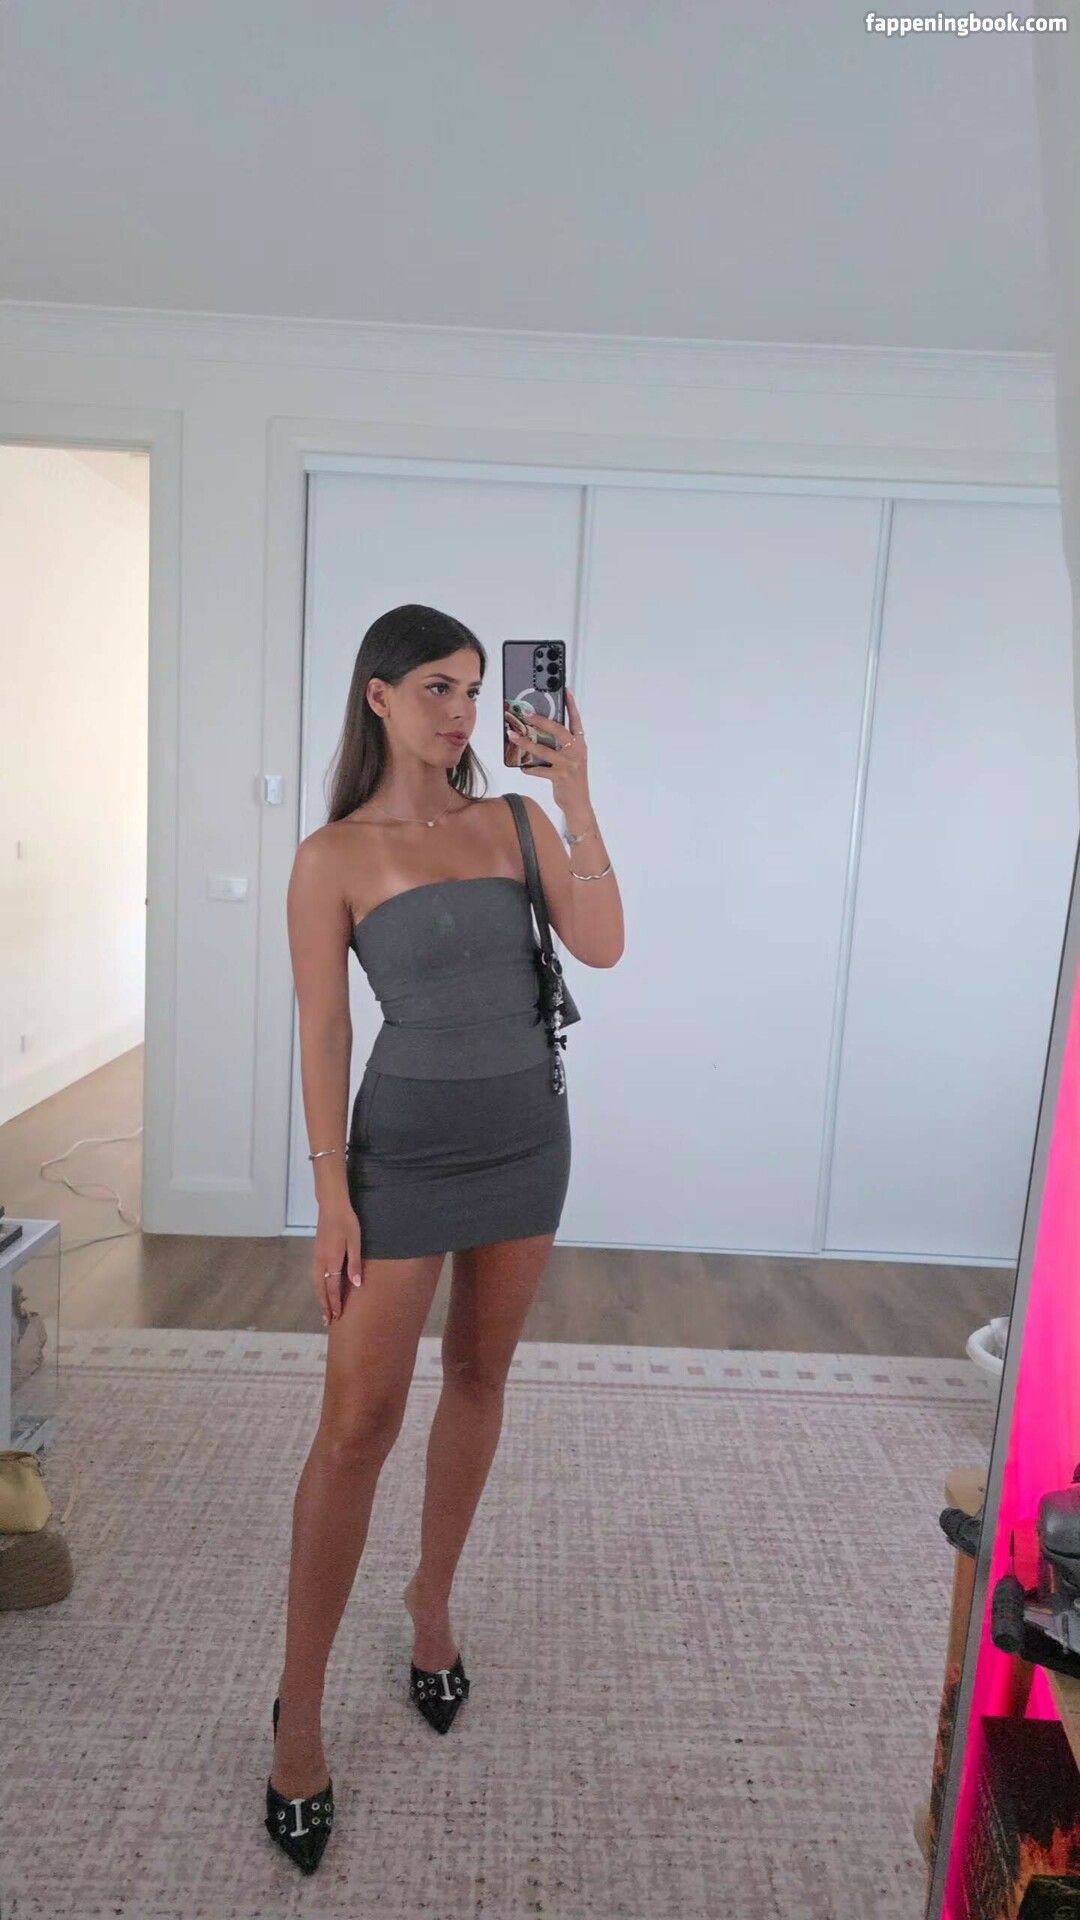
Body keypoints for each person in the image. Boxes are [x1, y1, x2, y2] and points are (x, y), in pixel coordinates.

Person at [265, 604, 623, 1873]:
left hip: (528, 1138)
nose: (463, 711)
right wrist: (334, 1196)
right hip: (402, 1159)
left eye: (474, 688)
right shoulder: (332, 856)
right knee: (357, 1424)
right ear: (377, 695)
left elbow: (602, 945)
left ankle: (431, 1605)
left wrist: (576, 797)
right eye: (436, 687)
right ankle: (298, 1710)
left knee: (479, 1374)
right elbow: (323, 1032)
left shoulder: (516, 822)